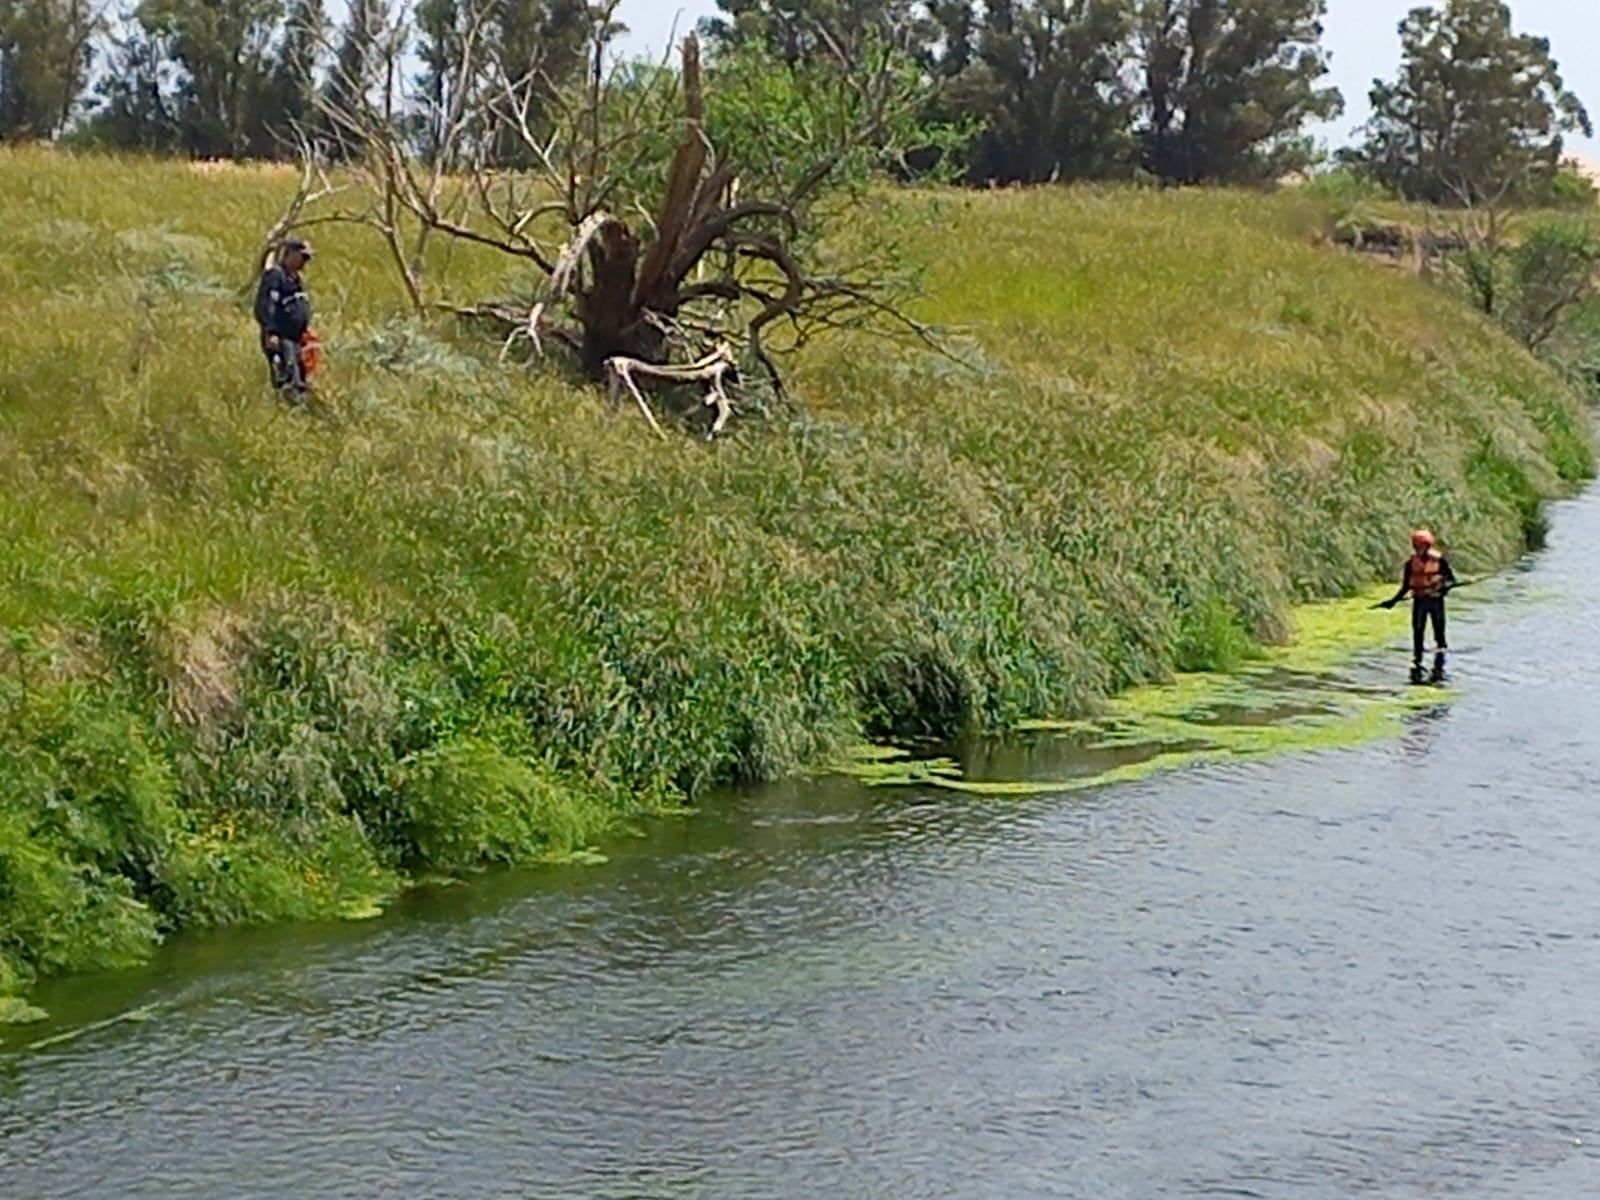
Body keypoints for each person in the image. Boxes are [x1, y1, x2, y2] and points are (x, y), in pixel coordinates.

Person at [1381, 528, 1458, 676]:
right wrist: (1393, 601)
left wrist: (1444, 588)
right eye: (1415, 545)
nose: (1417, 548)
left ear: (1428, 545)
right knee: (1418, 631)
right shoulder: (1410, 564)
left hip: (1436, 601)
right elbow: (1406, 587)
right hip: (1419, 601)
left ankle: (1439, 667)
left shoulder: (1439, 561)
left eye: (1420, 545)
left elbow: (1451, 580)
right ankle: (1417, 661)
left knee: (1439, 634)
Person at [254, 237, 314, 398]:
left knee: (301, 376)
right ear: (290, 254)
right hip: (280, 338)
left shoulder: (296, 279)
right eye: (303, 257)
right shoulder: (275, 276)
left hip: (296, 339)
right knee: (287, 377)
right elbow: (266, 306)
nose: (305, 262)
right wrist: (271, 332)